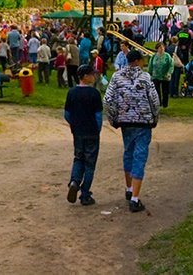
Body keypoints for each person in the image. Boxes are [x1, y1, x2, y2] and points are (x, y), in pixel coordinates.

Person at [104, 49, 160, 212]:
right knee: (140, 156)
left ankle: (129, 189)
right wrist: (154, 118)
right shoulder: (145, 77)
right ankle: (135, 198)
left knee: (128, 152)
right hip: (143, 122)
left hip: (125, 121)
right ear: (137, 61)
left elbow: (107, 100)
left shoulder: (116, 76)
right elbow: (154, 101)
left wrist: (113, 118)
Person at [64, 64, 102, 206]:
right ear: (85, 76)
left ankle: (74, 181)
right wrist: (97, 130)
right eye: (92, 74)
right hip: (91, 132)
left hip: (78, 132)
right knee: (90, 164)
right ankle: (85, 194)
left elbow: (66, 114)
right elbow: (98, 116)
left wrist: (74, 124)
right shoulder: (94, 94)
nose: (94, 76)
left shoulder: (72, 92)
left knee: (78, 158)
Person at [147, 41, 173, 108]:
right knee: (156, 91)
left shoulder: (167, 56)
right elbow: (150, 65)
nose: (161, 49)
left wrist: (169, 72)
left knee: (165, 91)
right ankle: (158, 103)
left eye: (162, 47)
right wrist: (149, 73)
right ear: (157, 49)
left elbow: (171, 65)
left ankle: (165, 104)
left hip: (165, 76)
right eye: (160, 48)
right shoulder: (154, 56)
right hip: (155, 76)